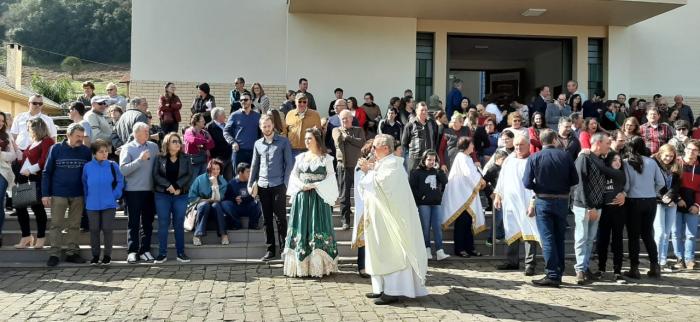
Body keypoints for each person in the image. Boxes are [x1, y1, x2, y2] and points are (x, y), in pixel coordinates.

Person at [359, 134, 428, 304]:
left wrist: (368, 171)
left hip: (390, 220)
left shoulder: (393, 165)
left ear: (386, 149)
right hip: (378, 217)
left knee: (391, 251)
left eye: (375, 147)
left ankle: (393, 290)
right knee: (379, 250)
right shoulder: (382, 164)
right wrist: (370, 170)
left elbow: (381, 185)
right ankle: (380, 288)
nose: (372, 150)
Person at [523, 129, 579, 287]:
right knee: (558, 237)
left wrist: (539, 187)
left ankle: (552, 274)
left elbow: (526, 183)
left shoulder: (535, 157)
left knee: (547, 238)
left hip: (544, 200)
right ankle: (558, 271)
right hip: (562, 200)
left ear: (541, 141)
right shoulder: (565, 156)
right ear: (555, 139)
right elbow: (574, 179)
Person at [283, 128, 339, 277]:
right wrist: (302, 186)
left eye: (310, 139)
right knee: (302, 226)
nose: (307, 141)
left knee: (317, 227)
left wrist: (317, 186)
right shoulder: (300, 157)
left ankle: (319, 265)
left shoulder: (326, 159)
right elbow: (294, 175)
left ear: (317, 140)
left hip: (319, 198)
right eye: (306, 138)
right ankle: (301, 264)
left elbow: (331, 178)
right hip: (303, 198)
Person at [43, 123, 92, 267]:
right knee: (56, 225)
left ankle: (72, 253)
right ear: (68, 135)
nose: (80, 140)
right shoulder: (56, 149)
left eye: (82, 137)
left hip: (78, 194)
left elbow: (90, 173)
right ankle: (54, 254)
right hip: (59, 193)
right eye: (78, 136)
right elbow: (47, 172)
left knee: (74, 225)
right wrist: (45, 194)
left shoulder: (85, 151)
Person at [572, 132, 614, 284]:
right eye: (607, 143)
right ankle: (580, 269)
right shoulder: (584, 158)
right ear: (598, 143)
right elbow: (580, 184)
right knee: (582, 238)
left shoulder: (601, 159)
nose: (609, 146)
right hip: (584, 206)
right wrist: (590, 207)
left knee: (590, 239)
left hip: (597, 206)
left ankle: (585, 267)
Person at [494, 134, 539, 274]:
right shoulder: (509, 160)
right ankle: (511, 262)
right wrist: (498, 195)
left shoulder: (533, 161)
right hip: (510, 203)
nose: (518, 148)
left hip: (526, 203)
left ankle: (529, 265)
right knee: (511, 230)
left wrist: (533, 203)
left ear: (528, 145)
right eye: (516, 145)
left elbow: (537, 184)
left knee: (529, 232)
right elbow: (501, 179)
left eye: (522, 145)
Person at [251, 115, 294, 261]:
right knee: (266, 219)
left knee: (281, 218)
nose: (267, 128)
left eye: (269, 126)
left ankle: (284, 249)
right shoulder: (257, 144)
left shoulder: (283, 141)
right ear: (260, 127)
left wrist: (287, 184)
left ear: (273, 125)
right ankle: (270, 250)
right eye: (264, 126)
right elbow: (254, 165)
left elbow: (289, 164)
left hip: (279, 185)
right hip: (263, 185)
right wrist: (251, 183)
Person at [623, 136, 665, 279]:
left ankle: (634, 269)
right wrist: (651, 190)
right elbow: (661, 182)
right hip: (650, 200)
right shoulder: (652, 162)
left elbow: (627, 185)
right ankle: (655, 266)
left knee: (633, 236)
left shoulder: (626, 163)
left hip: (633, 201)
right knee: (648, 234)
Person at [119, 122, 160, 264]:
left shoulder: (154, 147)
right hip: (133, 191)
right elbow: (123, 170)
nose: (148, 134)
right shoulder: (128, 148)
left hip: (150, 191)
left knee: (148, 222)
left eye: (148, 131)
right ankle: (132, 251)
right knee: (134, 222)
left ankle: (145, 250)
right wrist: (139, 160)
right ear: (136, 133)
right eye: (145, 131)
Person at [13, 118, 54, 249]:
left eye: (29, 128)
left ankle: (41, 237)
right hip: (23, 178)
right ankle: (26, 236)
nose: (28, 130)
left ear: (36, 128)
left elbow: (44, 161)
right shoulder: (33, 142)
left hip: (35, 178)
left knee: (37, 209)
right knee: (20, 208)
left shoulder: (47, 141)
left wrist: (29, 170)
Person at [441, 137, 486, 257]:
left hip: (468, 194)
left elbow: (472, 173)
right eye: (471, 145)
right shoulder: (461, 157)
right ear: (466, 146)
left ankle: (470, 248)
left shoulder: (467, 158)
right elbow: (468, 174)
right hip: (462, 196)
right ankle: (460, 249)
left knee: (468, 223)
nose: (473, 147)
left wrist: (479, 178)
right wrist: (480, 181)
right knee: (461, 224)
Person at [152, 132, 193, 263]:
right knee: (163, 224)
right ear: (167, 144)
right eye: (174, 141)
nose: (177, 144)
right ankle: (162, 253)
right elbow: (156, 175)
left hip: (180, 195)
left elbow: (188, 176)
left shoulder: (186, 158)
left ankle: (180, 253)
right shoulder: (159, 158)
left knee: (178, 224)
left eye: (178, 142)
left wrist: (177, 187)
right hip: (162, 195)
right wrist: (169, 186)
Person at [82, 139, 124, 266]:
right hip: (92, 204)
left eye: (106, 151)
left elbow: (121, 180)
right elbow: (84, 184)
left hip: (109, 204)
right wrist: (86, 199)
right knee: (94, 230)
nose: (105, 154)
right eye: (101, 152)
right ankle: (95, 256)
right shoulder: (87, 167)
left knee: (107, 229)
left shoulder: (112, 165)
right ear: (94, 153)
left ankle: (107, 256)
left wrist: (115, 195)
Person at [409, 150, 449, 261]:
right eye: (429, 159)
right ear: (424, 159)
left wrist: (439, 170)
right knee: (425, 228)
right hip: (424, 204)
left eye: (434, 160)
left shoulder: (437, 171)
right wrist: (421, 197)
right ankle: (426, 250)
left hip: (436, 203)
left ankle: (440, 251)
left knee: (437, 227)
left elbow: (445, 182)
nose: (431, 162)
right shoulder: (416, 172)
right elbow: (413, 188)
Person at [596, 150, 627, 281]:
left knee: (617, 241)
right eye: (615, 160)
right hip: (603, 210)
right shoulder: (602, 173)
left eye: (619, 160)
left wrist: (589, 155)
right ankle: (601, 269)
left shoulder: (619, 173)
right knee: (602, 240)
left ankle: (617, 271)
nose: (618, 162)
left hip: (617, 210)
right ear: (609, 161)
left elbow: (602, 168)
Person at [332, 110, 366, 230]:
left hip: (357, 167)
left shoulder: (359, 130)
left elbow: (361, 143)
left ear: (352, 119)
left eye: (347, 118)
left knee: (360, 195)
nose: (345, 121)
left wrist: (348, 137)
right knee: (344, 195)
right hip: (343, 167)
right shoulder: (336, 130)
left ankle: (361, 219)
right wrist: (347, 138)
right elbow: (338, 140)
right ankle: (345, 220)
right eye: (342, 119)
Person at [652, 144, 681, 272]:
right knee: (660, 233)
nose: (668, 158)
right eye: (666, 155)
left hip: (671, 202)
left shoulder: (675, 165)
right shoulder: (653, 164)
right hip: (658, 201)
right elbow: (653, 183)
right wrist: (663, 196)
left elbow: (677, 184)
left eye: (671, 156)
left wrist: (671, 197)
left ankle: (663, 261)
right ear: (660, 153)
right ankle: (656, 261)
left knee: (667, 233)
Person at [673, 139, 700, 270]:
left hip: (692, 204)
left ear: (698, 152)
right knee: (676, 233)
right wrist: (677, 199)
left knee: (691, 234)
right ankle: (679, 259)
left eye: (694, 150)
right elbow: (671, 183)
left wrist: (697, 205)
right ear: (685, 149)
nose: (691, 152)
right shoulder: (677, 162)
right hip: (675, 202)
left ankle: (689, 259)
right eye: (689, 149)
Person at [352, 140, 373, 278]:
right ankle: (362, 265)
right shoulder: (361, 166)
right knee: (364, 237)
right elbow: (362, 187)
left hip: (376, 207)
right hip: (365, 206)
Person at [224, 92, 261, 168]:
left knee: (252, 177)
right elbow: (226, 131)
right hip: (238, 152)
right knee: (238, 178)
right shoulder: (234, 115)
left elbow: (262, 132)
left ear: (251, 101)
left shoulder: (257, 116)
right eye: (241, 100)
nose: (243, 101)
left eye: (245, 99)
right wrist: (233, 142)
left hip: (253, 152)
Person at [222, 163, 261, 230]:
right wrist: (234, 199)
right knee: (225, 204)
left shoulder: (252, 183)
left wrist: (245, 199)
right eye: (247, 172)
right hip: (236, 208)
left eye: (250, 171)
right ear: (240, 173)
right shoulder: (231, 183)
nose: (250, 174)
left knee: (257, 203)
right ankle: (236, 224)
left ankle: (253, 224)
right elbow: (226, 197)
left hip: (248, 207)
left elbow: (254, 197)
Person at [402, 102, 439, 171]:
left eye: (426, 110)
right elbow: (404, 143)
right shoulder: (410, 125)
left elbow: (436, 139)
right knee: (414, 180)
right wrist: (415, 151)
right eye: (422, 110)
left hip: (429, 159)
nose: (424, 112)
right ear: (416, 111)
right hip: (415, 159)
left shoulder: (432, 123)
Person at [0, 111, 18, 247]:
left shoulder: (7, 135)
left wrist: (0, 154)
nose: (0, 123)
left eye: (2, 121)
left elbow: (13, 155)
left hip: (3, 172)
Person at [207, 107, 234, 180]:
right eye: (223, 115)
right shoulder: (210, 127)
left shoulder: (226, 125)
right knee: (217, 179)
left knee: (229, 178)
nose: (225, 117)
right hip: (218, 158)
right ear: (217, 116)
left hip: (229, 156)